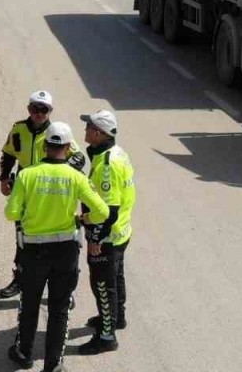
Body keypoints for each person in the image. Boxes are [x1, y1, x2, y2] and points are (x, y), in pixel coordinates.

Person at [5, 122, 108, 372]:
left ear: (44, 145)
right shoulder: (76, 177)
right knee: (59, 309)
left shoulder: (27, 175)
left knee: (29, 304)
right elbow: (102, 211)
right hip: (65, 251)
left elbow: (11, 213)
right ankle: (53, 366)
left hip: (33, 251)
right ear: (68, 147)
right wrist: (82, 219)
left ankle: (23, 353)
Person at [0, 90, 87, 299]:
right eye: (34, 109)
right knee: (22, 237)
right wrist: (4, 179)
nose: (38, 113)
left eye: (43, 109)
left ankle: (65, 289)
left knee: (60, 241)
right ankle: (20, 279)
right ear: (28, 109)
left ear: (50, 111)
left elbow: (79, 158)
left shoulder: (57, 132)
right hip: (25, 188)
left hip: (50, 192)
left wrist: (61, 169)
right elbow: (8, 154)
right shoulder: (18, 129)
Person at [77, 109, 137, 356]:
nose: (85, 130)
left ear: (99, 133)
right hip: (122, 233)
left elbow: (108, 212)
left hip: (109, 235)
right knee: (116, 278)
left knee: (102, 284)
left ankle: (106, 335)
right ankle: (116, 318)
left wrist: (95, 238)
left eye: (89, 126)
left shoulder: (107, 165)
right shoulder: (116, 153)